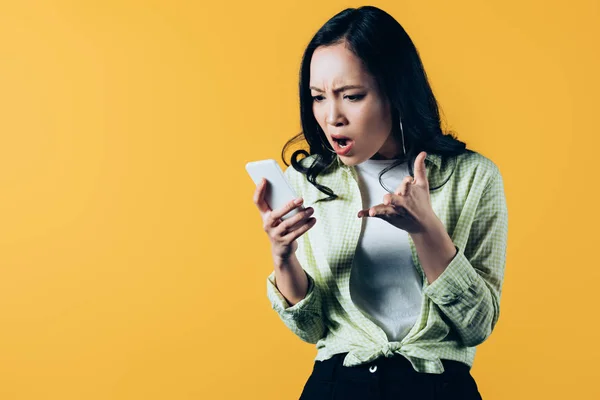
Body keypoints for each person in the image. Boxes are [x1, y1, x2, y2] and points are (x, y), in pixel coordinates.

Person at [252, 6, 508, 400]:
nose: (332, 116)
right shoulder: (308, 181)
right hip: (337, 386)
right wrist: (282, 256)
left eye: (352, 96)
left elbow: (477, 326)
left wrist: (426, 229)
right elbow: (312, 330)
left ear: (395, 92)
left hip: (439, 386)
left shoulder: (473, 178)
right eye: (318, 97)